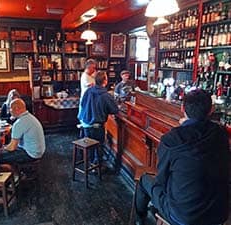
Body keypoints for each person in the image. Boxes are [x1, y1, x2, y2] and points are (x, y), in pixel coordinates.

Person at [134, 89, 229, 225]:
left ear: (182, 108)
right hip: (218, 213)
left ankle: (139, 220)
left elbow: (162, 179)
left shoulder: (171, 139)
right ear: (211, 110)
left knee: (144, 180)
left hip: (184, 216)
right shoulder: (221, 134)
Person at [78, 71, 119, 162]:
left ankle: (89, 162)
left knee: (90, 145)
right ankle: (96, 165)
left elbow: (83, 104)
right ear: (105, 81)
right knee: (99, 145)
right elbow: (114, 110)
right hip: (96, 126)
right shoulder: (105, 95)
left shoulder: (88, 91)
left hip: (85, 124)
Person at [0, 98, 45, 164]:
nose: (9, 111)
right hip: (38, 151)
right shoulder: (29, 117)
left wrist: (2, 148)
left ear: (16, 109)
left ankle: (12, 172)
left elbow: (12, 147)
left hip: (31, 154)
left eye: (10, 109)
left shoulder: (19, 123)